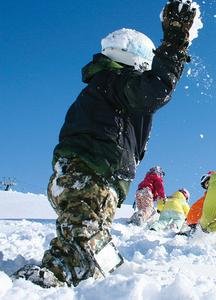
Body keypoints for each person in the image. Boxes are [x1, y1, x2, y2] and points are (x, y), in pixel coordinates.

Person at [12, 0, 199, 288]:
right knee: (81, 237)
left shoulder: (103, 86)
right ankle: (53, 277)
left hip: (87, 174)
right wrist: (174, 44)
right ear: (132, 57)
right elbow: (155, 90)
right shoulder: (116, 81)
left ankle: (102, 275)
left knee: (90, 232)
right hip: (91, 172)